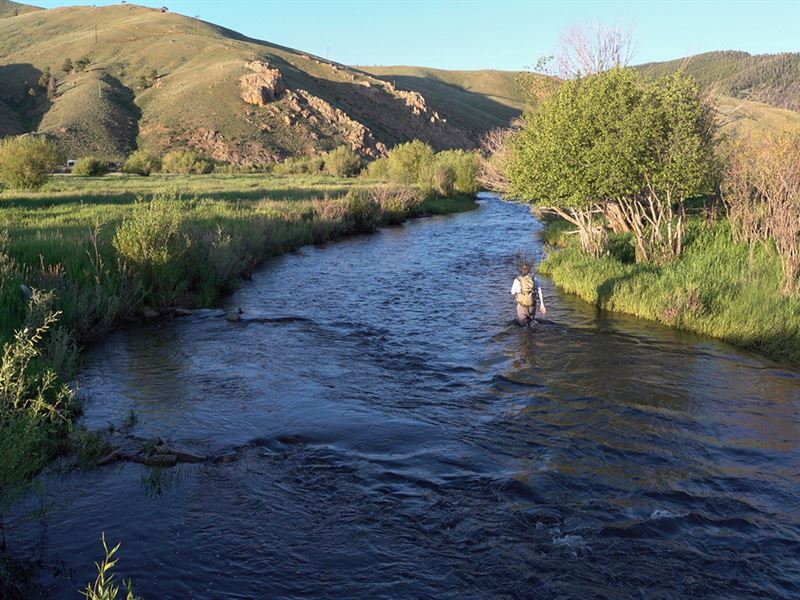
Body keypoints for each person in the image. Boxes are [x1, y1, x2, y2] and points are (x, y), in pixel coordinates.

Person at [511, 259, 546, 327]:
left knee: (523, 326)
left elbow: (512, 292)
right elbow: (539, 290)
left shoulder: (517, 280)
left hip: (522, 306)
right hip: (532, 305)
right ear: (529, 270)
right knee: (530, 324)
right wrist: (542, 304)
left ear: (521, 270)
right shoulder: (534, 279)